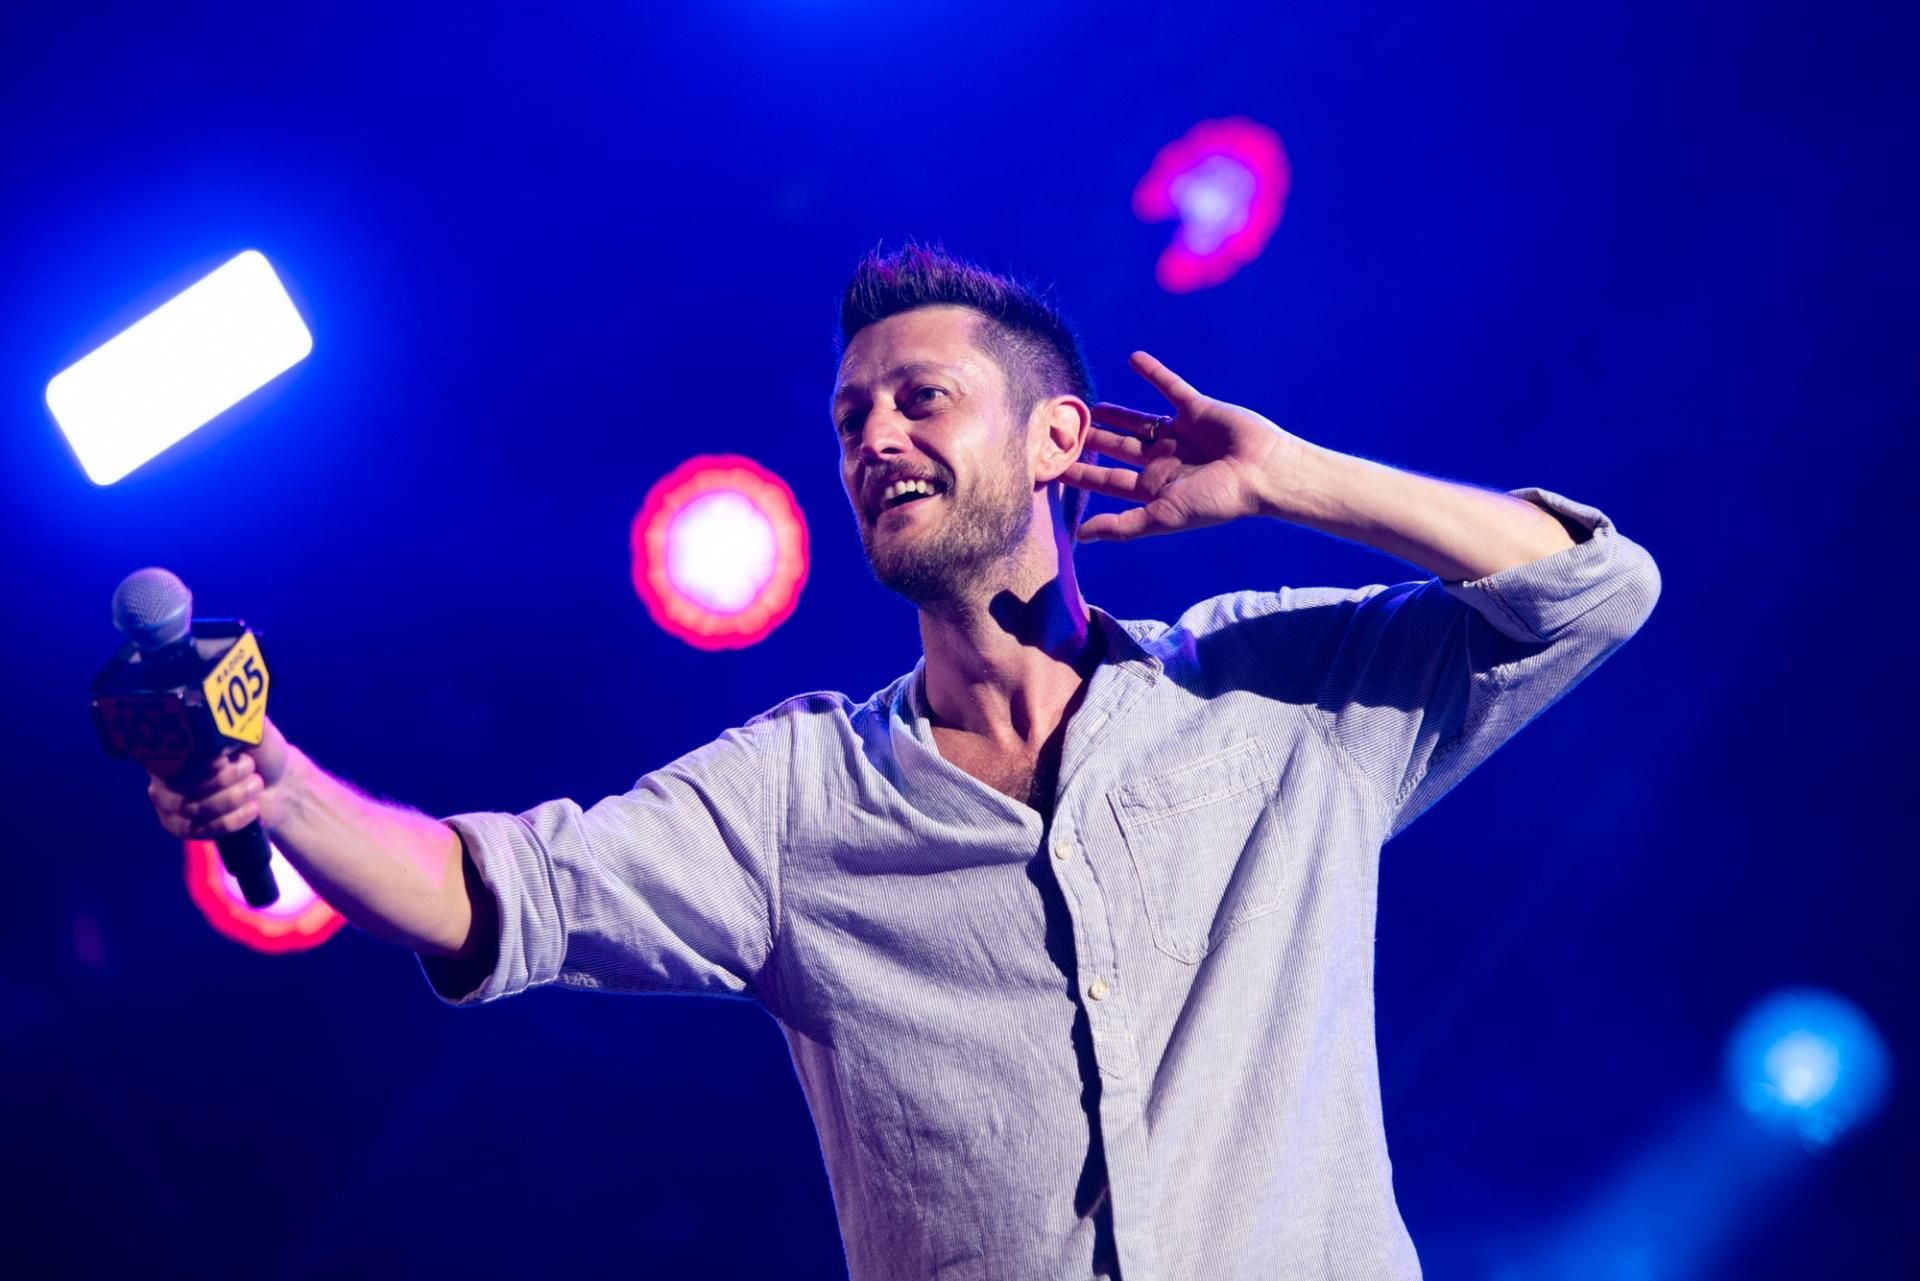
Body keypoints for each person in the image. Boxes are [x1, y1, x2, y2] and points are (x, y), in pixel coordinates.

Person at [147, 244, 1660, 1280]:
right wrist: (273, 779)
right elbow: (500, 892)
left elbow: (1594, 591)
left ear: (1058, 437)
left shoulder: (1274, 696)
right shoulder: (798, 794)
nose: (873, 438)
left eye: (921, 398)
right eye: (851, 417)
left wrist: (1294, 478)